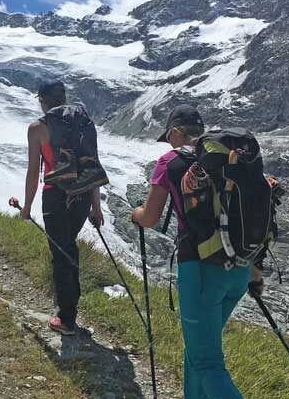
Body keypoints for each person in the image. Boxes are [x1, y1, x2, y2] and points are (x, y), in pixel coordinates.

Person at [131, 105, 264, 399]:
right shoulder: (231, 159)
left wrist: (135, 214)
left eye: (168, 136)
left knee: (206, 361)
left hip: (201, 271)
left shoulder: (170, 162)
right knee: (197, 352)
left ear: (176, 132)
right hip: (239, 269)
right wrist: (255, 270)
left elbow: (150, 218)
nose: (168, 142)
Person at [20, 80, 104, 336]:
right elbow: (92, 164)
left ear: (42, 101)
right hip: (81, 196)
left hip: (55, 196)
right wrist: (96, 207)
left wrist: (26, 207)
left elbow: (34, 172)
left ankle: (66, 317)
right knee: (68, 245)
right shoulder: (84, 123)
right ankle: (69, 307)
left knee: (61, 252)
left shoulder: (37, 129)